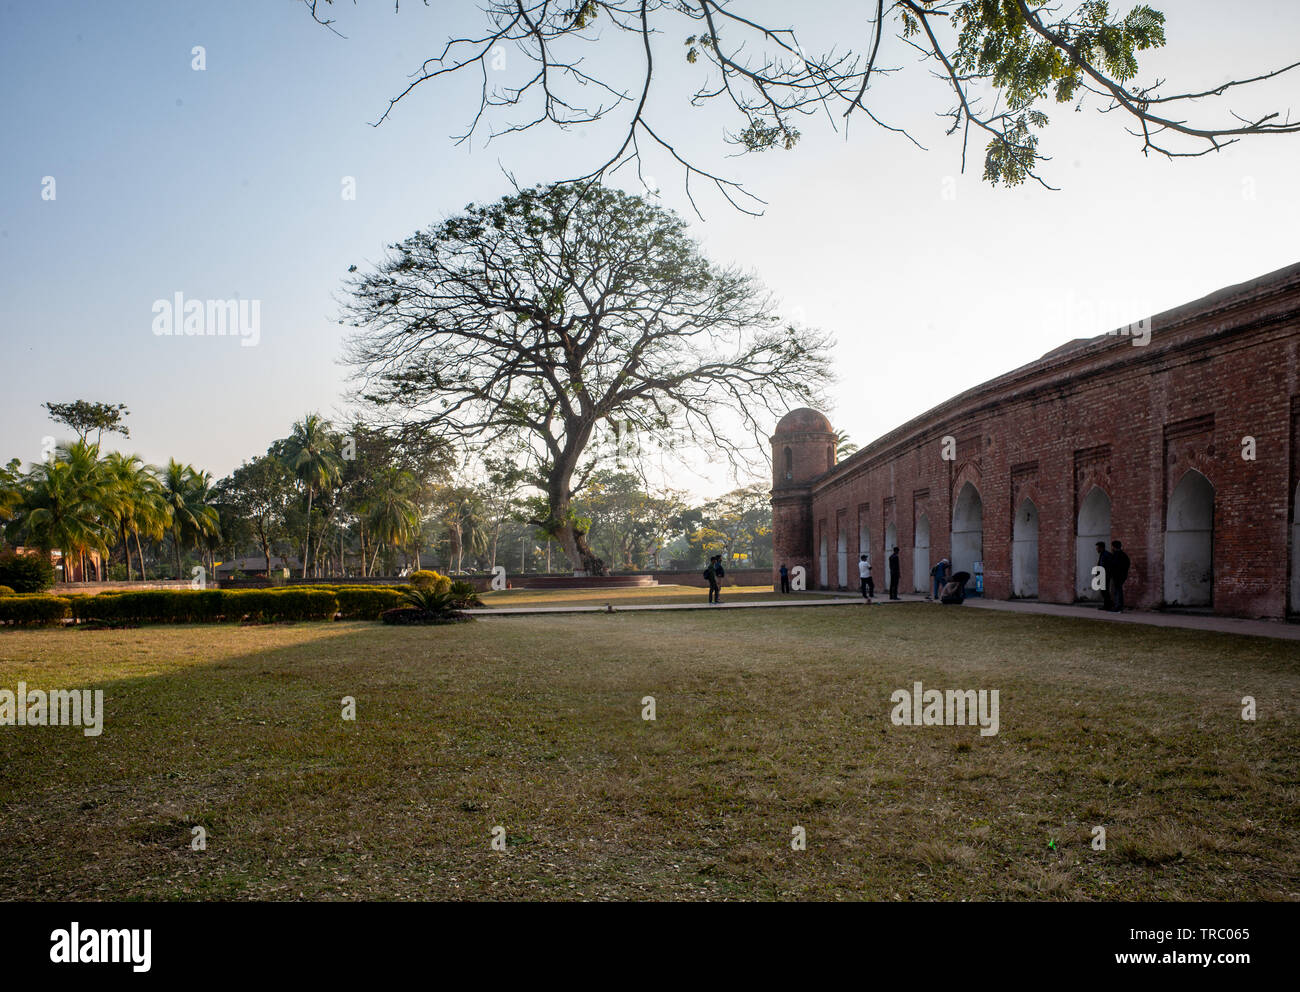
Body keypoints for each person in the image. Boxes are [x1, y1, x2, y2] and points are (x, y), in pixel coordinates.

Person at [1110, 540, 1131, 612]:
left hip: (1118, 576)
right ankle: (1118, 606)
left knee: (1118, 591)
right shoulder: (1123, 555)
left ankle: (1118, 606)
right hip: (1121, 575)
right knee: (1118, 590)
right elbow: (1127, 564)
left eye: (1112, 546)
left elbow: (1114, 565)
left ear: (1114, 547)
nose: (1111, 548)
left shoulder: (1117, 555)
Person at [1095, 541, 1114, 611]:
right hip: (1103, 575)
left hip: (1105, 575)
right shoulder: (1103, 554)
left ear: (1101, 548)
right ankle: (1107, 605)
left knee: (1105, 591)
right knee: (1104, 591)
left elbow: (1108, 566)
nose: (1096, 549)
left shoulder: (1106, 555)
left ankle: (1108, 605)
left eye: (1097, 548)